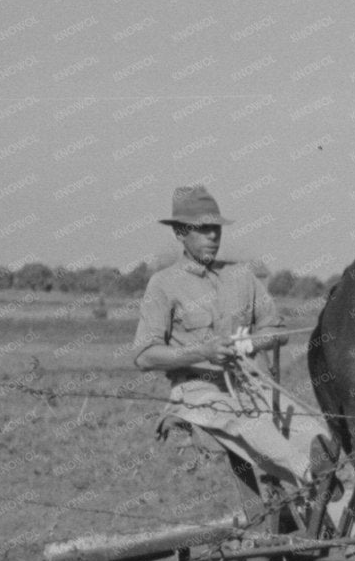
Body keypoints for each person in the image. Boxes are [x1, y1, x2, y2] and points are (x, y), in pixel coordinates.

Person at [133, 185, 337, 521]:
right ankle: (312, 495)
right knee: (270, 438)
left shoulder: (243, 276)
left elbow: (276, 331)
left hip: (252, 386)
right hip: (198, 393)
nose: (213, 237)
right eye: (203, 230)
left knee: (318, 435)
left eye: (217, 229)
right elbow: (144, 355)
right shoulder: (163, 284)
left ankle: (324, 506)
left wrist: (254, 342)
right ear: (180, 233)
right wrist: (203, 351)